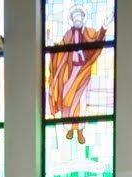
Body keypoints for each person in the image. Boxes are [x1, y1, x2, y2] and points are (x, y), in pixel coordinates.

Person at [48, 5, 114, 144]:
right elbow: (59, 49)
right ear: (72, 20)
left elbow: (97, 40)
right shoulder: (68, 34)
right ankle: (69, 128)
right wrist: (50, 44)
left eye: (80, 16)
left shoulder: (89, 32)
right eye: (75, 17)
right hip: (69, 73)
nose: (77, 19)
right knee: (67, 101)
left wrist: (104, 26)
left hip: (83, 72)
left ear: (84, 18)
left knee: (81, 101)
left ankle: (80, 131)